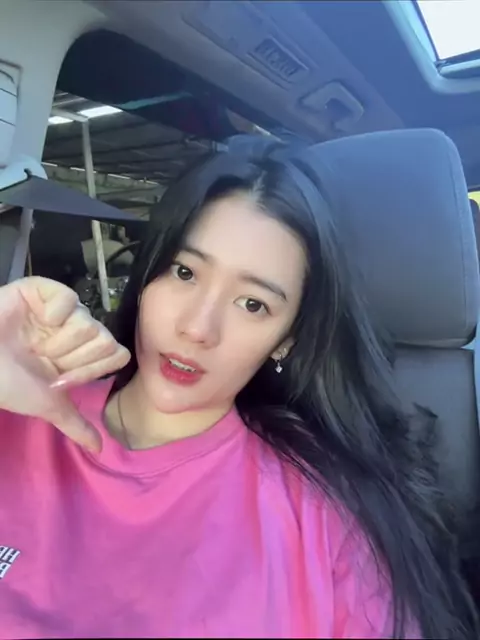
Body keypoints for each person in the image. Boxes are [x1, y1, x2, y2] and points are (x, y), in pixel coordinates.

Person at [0, 137, 476, 639]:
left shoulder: (322, 519)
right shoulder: (20, 405)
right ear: (147, 275)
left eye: (253, 304)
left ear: (286, 339)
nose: (197, 328)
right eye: (185, 272)